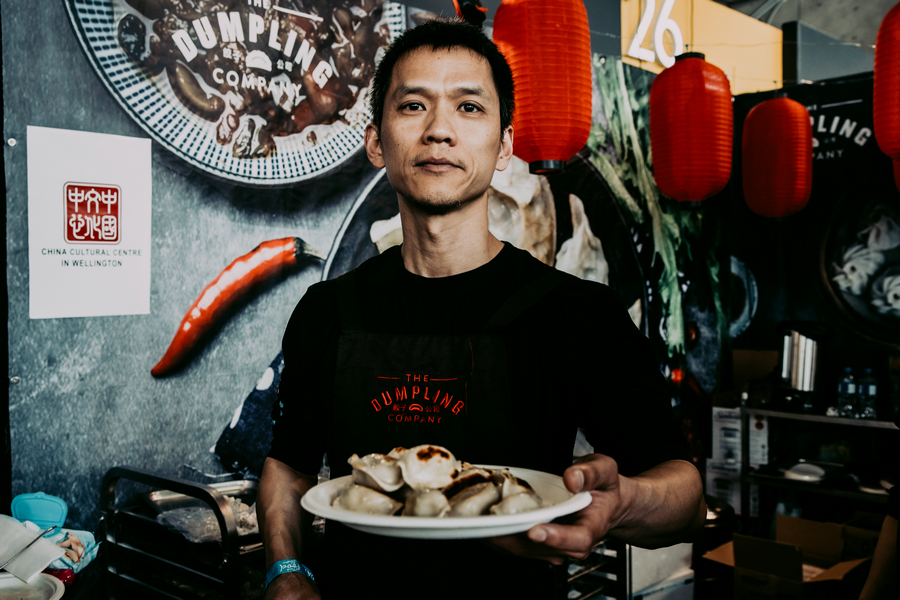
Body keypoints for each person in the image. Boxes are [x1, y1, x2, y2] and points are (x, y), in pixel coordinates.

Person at [258, 18, 705, 600]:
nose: (440, 130)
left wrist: (620, 506)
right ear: (375, 142)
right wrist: (286, 571)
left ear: (504, 148)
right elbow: (288, 471)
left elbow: (686, 498)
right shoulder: (327, 310)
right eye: (413, 105)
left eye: (469, 108)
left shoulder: (576, 314)